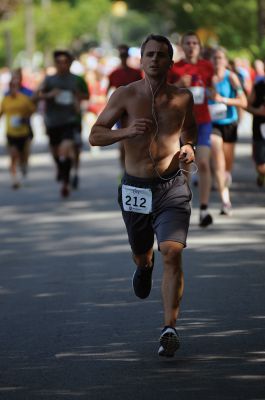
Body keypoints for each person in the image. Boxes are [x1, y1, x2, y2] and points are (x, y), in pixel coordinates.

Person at [89, 34, 197, 357]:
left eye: (161, 55)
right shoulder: (125, 95)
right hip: (136, 188)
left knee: (172, 252)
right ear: (141, 60)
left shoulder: (182, 97)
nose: (154, 60)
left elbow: (189, 130)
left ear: (170, 62)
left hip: (172, 187)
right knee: (144, 253)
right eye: (149, 54)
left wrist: (189, 147)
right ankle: (143, 265)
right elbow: (95, 134)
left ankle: (169, 329)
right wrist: (125, 131)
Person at [169, 31, 214, 227]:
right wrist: (179, 84)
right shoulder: (175, 68)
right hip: (183, 124)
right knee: (185, 167)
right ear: (182, 46)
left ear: (200, 46)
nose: (191, 46)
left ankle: (204, 209)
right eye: (187, 43)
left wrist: (212, 92)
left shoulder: (207, 66)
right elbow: (166, 95)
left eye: (195, 43)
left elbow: (211, 89)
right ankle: (184, 206)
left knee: (203, 163)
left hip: (203, 122)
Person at [36, 50, 90, 197]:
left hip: (71, 120)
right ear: (55, 64)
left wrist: (77, 96)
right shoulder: (49, 79)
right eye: (59, 62)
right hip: (53, 120)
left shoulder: (77, 79)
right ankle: (60, 168)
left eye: (65, 62)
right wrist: (49, 95)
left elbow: (87, 95)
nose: (62, 65)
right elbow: (37, 95)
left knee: (66, 150)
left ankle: (65, 183)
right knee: (55, 151)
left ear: (70, 63)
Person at [209, 47, 247, 215]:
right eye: (214, 58)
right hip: (212, 124)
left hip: (229, 124)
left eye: (220, 58)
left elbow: (243, 102)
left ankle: (225, 177)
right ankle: (226, 201)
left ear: (225, 60)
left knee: (227, 164)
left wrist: (222, 99)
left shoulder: (231, 77)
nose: (217, 61)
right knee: (217, 155)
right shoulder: (208, 78)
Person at [107, 44, 142, 169]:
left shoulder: (136, 73)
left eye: (125, 55)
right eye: (121, 55)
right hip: (121, 113)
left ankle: (135, 168)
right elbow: (108, 91)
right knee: (122, 143)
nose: (123, 57)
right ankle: (124, 170)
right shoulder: (114, 74)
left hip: (135, 111)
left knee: (136, 141)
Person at [0, 77, 36, 188]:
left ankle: (24, 166)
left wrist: (25, 118)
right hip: (11, 133)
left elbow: (32, 110)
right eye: (11, 86)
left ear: (18, 87)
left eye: (15, 86)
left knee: (23, 156)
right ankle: (14, 180)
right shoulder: (5, 100)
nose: (13, 88)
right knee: (13, 156)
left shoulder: (24, 99)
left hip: (23, 132)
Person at [247, 75, 265, 187]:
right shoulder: (259, 86)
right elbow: (246, 105)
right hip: (260, 129)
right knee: (261, 167)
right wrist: (257, 111)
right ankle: (261, 174)